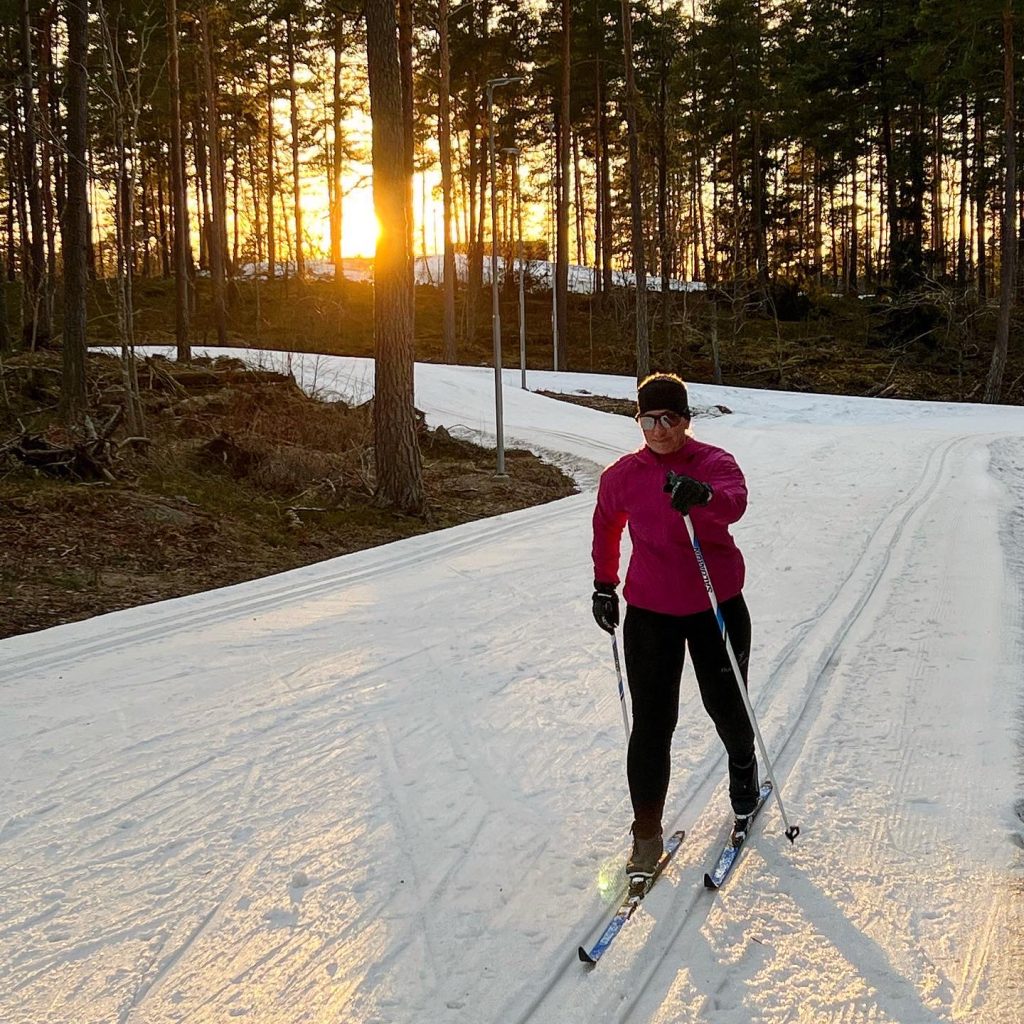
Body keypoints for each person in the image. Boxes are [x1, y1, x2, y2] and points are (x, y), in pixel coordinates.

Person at [591, 372, 758, 881]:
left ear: (686, 420)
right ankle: (646, 833)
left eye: (670, 418)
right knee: (652, 723)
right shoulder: (623, 474)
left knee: (725, 704)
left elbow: (735, 502)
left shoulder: (713, 463)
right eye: (649, 418)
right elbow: (606, 525)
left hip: (716, 604)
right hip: (651, 612)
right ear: (637, 420)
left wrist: (702, 495)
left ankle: (744, 774)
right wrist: (604, 584)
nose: (659, 429)